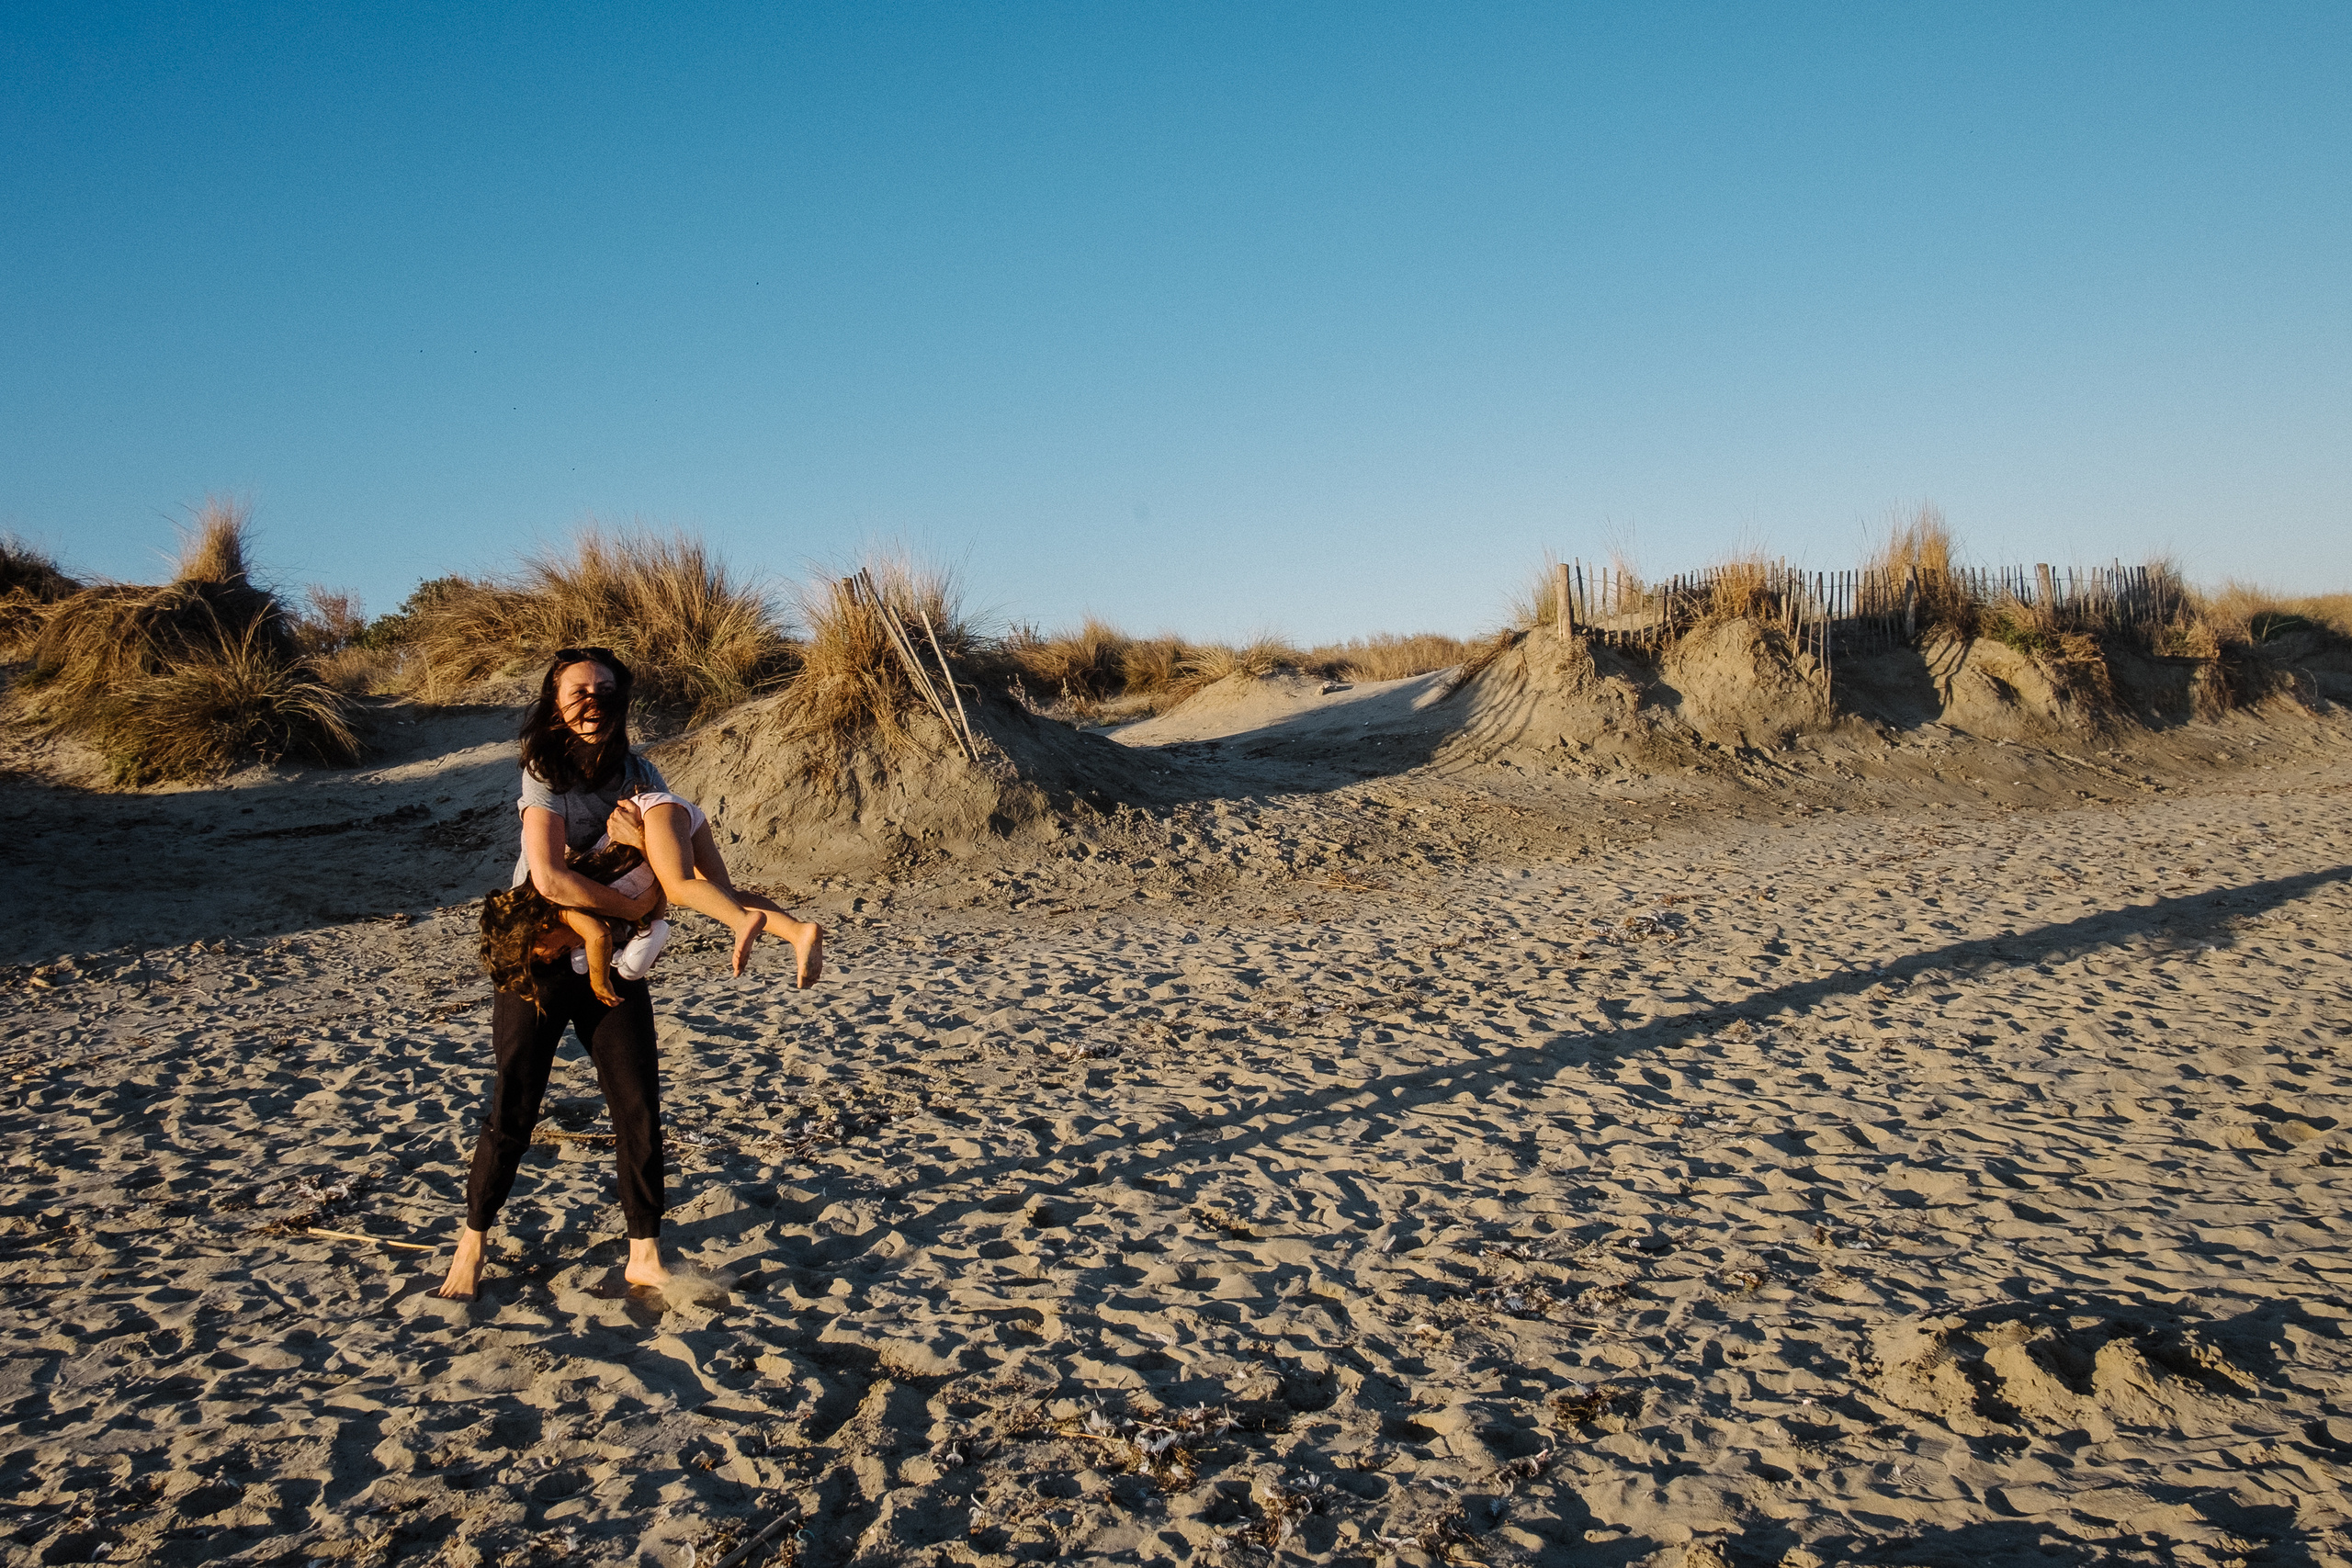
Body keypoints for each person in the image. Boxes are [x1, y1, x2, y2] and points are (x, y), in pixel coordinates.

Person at [435, 649, 681, 1299]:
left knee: (637, 1102)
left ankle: (644, 1253)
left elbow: (671, 871)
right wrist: (626, 901)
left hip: (613, 958)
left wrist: (640, 880)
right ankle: (473, 1240)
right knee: (514, 1103)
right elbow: (547, 874)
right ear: (554, 704)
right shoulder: (542, 771)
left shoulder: (641, 773)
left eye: (605, 689)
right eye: (577, 691)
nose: (591, 701)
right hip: (539, 956)